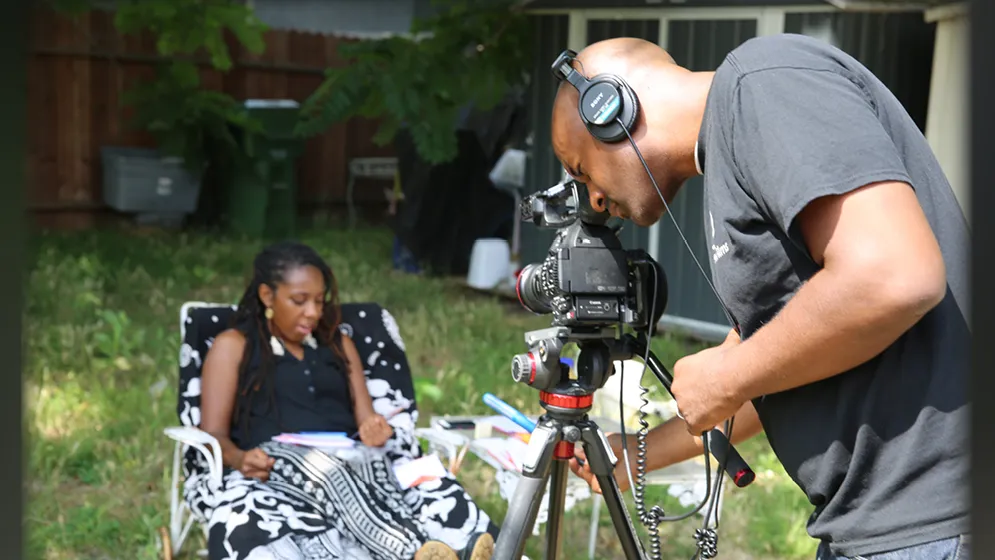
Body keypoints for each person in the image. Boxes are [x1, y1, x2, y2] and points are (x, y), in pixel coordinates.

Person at [556, 35, 970, 559]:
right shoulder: (737, 159)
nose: (592, 198)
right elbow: (781, 362)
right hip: (877, 530)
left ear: (609, 109)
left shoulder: (762, 81)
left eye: (580, 167)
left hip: (929, 525)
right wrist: (631, 453)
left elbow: (894, 276)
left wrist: (728, 376)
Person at [193, 240, 497, 560]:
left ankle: (438, 550)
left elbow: (365, 417)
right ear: (268, 296)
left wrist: (374, 427)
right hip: (279, 456)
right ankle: (412, 553)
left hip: (348, 451)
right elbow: (213, 434)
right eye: (299, 301)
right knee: (329, 473)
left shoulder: (338, 343)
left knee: (379, 480)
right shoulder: (234, 345)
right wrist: (241, 459)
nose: (313, 312)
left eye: (319, 301)